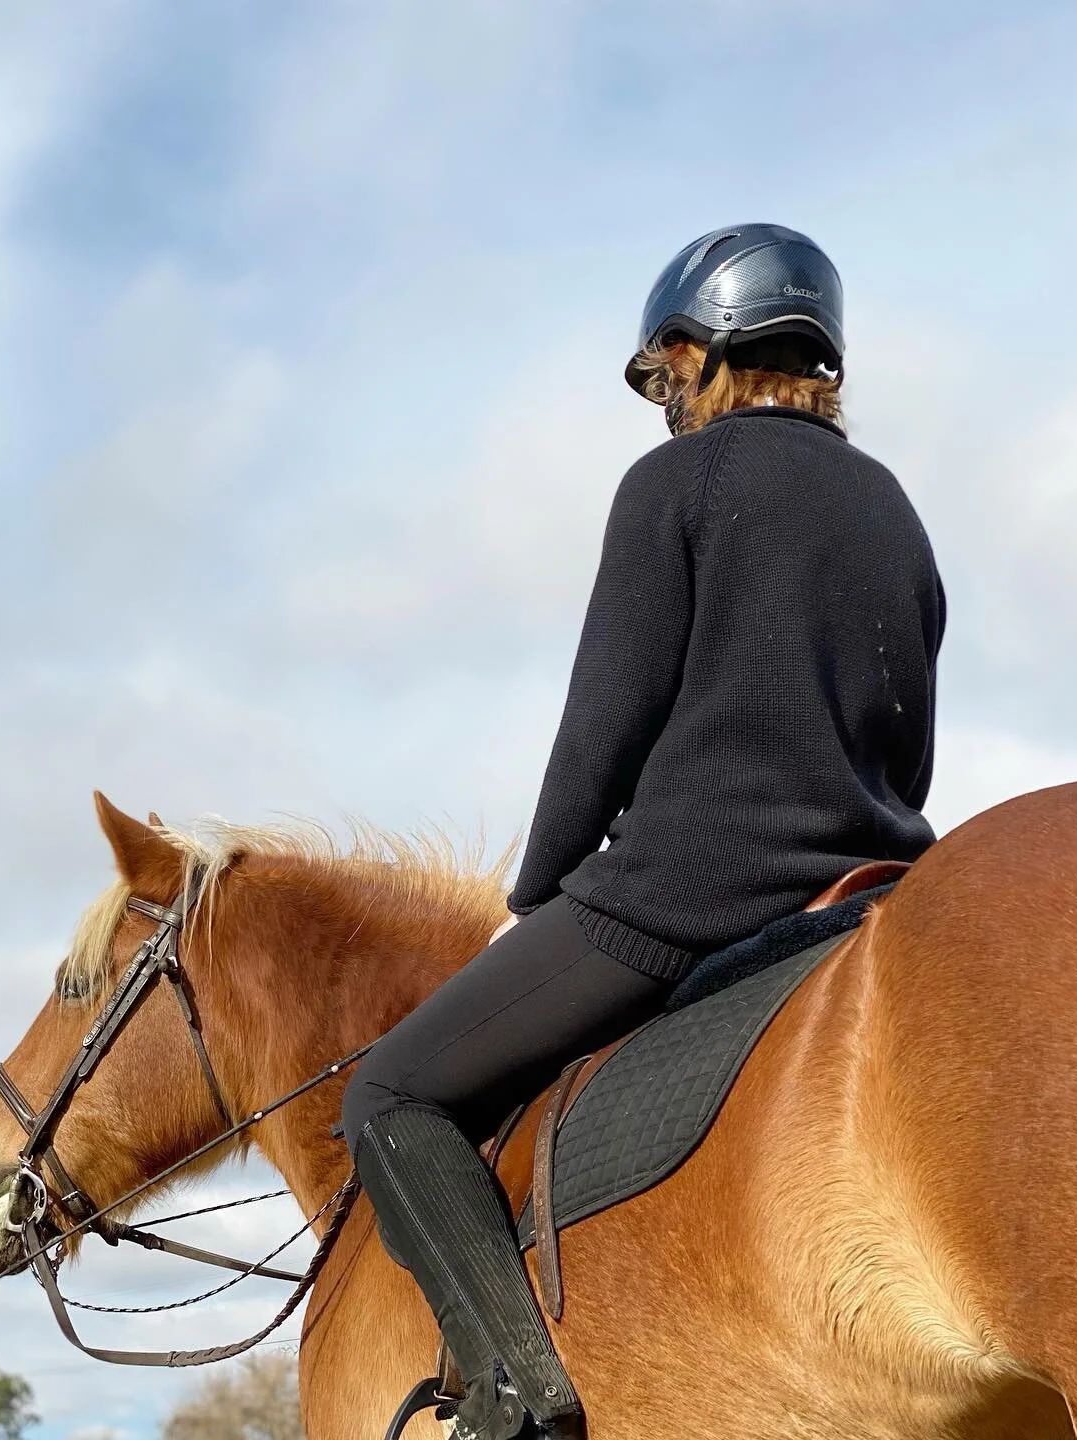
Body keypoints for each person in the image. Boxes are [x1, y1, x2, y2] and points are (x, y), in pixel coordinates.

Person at [342, 224, 945, 1440]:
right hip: (872, 889)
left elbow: (605, 721)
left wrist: (541, 893)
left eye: (666, 371)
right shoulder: (894, 507)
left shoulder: (678, 482)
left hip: (685, 898)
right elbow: (907, 744)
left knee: (392, 1095)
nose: (664, 399)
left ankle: (516, 1396)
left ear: (704, 347)